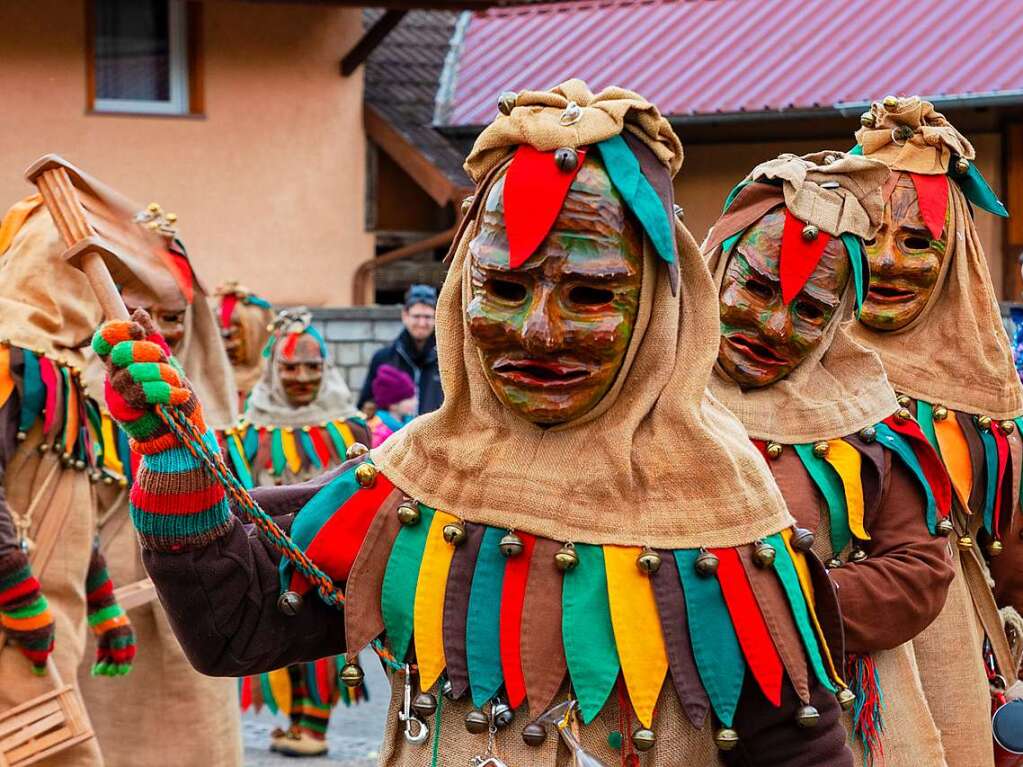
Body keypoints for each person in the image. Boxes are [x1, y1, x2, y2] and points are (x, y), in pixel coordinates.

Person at [94, 80, 855, 765]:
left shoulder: (720, 505)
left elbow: (800, 752)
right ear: (463, 289)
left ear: (654, 309)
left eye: (590, 296)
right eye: (504, 286)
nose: (537, 331)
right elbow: (240, 628)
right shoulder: (416, 477)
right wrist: (170, 451)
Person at [705, 151, 955, 765]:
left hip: (825, 723)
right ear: (715, 270)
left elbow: (920, 571)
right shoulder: (638, 399)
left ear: (839, 319)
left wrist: (782, 607)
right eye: (758, 288)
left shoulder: (868, 424)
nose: (774, 325)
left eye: (811, 310)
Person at [849, 96, 1023, 767]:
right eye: (866, 236)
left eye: (916, 241)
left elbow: (1010, 556)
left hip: (956, 676)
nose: (887, 261)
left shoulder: (987, 399)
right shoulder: (764, 369)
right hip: (815, 680)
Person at [77, 203, 244, 767]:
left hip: (194, 612)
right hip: (103, 614)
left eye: (174, 317)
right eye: (140, 311)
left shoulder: (208, 397)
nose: (160, 330)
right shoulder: (68, 396)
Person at [0, 193, 137, 767]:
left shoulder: (67, 374)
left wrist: (102, 603)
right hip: (14, 624)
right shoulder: (10, 363)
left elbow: (70, 492)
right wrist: (20, 601)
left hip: (53, 626)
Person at [225, 309, 370, 756]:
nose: (302, 377)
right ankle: (296, 721)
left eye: (313, 367)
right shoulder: (243, 432)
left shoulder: (351, 427)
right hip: (267, 555)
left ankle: (314, 726)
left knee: (322, 639)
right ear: (274, 370)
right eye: (291, 367)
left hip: (330, 554)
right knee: (275, 638)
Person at [358, 284, 442, 415]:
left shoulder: (446, 360)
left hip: (434, 434)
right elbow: (365, 405)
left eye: (427, 317)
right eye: (416, 316)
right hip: (394, 433)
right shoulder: (383, 358)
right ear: (405, 316)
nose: (422, 323)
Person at [214, 281, 274, 409]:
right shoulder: (205, 389)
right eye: (221, 334)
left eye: (235, 335)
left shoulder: (277, 391)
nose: (227, 346)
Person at [367, 364, 416, 446]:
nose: (414, 402)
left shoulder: (410, 423)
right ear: (393, 405)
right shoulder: (377, 432)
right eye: (408, 398)